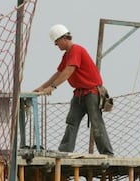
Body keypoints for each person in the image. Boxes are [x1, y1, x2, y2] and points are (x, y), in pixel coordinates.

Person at [33, 24, 114, 156]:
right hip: (79, 94)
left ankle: (108, 153)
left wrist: (52, 87)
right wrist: (43, 87)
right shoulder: (67, 55)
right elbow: (59, 73)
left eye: (57, 42)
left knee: (96, 123)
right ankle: (65, 151)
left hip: (91, 93)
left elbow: (69, 70)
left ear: (64, 38)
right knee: (71, 121)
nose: (56, 45)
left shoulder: (76, 50)